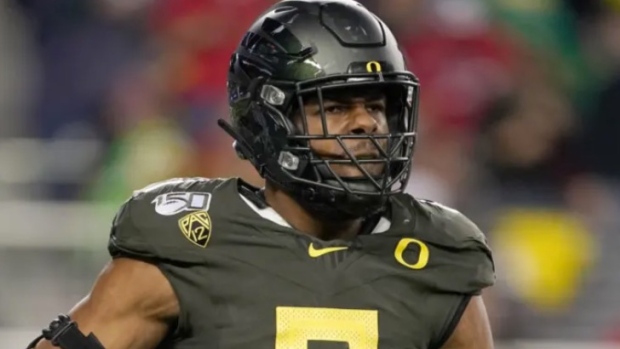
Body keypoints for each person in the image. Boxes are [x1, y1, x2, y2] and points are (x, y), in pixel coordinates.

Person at [29, 0, 495, 348]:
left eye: (377, 105)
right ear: (268, 122)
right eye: (334, 107)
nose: (366, 124)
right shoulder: (190, 247)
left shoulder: (439, 258)